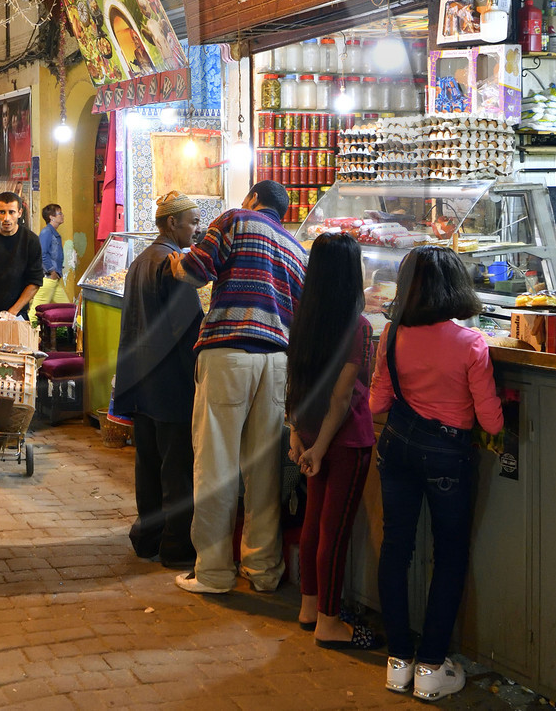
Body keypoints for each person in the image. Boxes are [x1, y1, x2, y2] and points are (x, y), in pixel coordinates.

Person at [370, 245, 502, 701]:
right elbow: (491, 422)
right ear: (455, 286)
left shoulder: (392, 334)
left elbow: (377, 402)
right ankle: (430, 667)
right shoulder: (471, 343)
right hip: (447, 456)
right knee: (449, 556)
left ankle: (398, 663)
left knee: (395, 548)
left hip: (396, 448)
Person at [169, 180, 307, 596]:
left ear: (253, 199)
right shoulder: (297, 248)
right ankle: (263, 569)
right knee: (264, 473)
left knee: (216, 467)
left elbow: (195, 271)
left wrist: (174, 264)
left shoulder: (236, 219)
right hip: (277, 362)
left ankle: (213, 573)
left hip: (229, 354)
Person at [285, 234, 379, 650]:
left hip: (309, 432)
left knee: (314, 525)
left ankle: (310, 608)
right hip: (343, 442)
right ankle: (330, 622)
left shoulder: (303, 316)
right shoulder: (357, 326)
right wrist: (320, 449)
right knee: (334, 532)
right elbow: (342, 398)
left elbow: (295, 378)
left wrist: (296, 434)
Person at [113, 191, 202, 569]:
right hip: (170, 384)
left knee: (147, 465)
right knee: (176, 469)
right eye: (192, 222)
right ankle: (176, 547)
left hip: (141, 382)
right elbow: (190, 328)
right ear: (172, 223)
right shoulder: (172, 264)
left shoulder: (141, 260)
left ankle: (147, 538)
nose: (196, 229)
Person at [31, 203, 68, 314]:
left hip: (54, 278)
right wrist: (51, 270)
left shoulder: (53, 232)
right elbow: (42, 253)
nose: (62, 215)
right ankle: (27, 325)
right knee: (36, 310)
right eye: (59, 213)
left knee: (67, 309)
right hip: (48, 278)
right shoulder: (47, 232)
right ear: (51, 217)